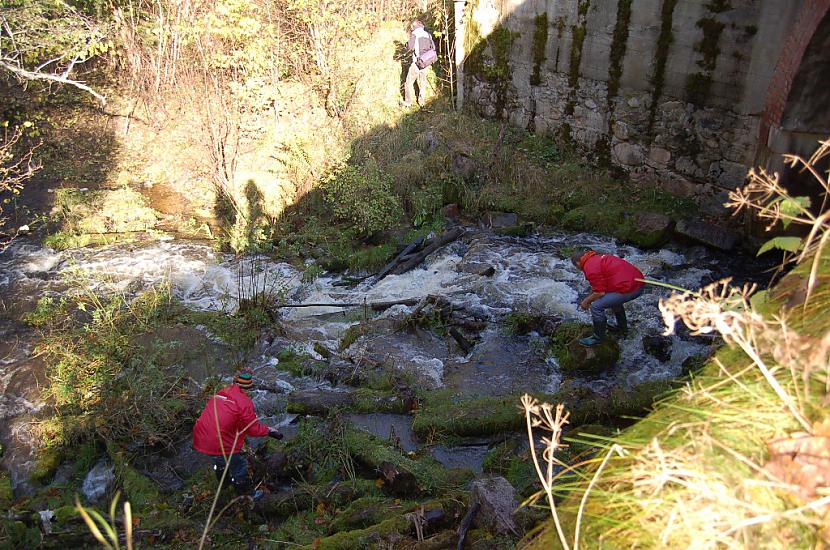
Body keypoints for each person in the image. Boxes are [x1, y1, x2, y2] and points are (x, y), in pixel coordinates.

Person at [192, 369, 282, 499]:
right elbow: (253, 429)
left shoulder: (222, 393)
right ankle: (246, 494)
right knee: (239, 467)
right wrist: (268, 430)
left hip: (202, 437)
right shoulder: (244, 402)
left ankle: (223, 483)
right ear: (249, 388)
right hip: (222, 443)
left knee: (219, 461)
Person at [571, 249, 645, 346]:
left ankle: (598, 338)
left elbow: (600, 293)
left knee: (596, 307)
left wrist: (586, 301)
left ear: (578, 263)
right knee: (613, 300)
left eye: (576, 267)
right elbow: (600, 286)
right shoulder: (597, 258)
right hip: (638, 282)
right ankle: (622, 329)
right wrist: (591, 296)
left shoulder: (590, 267)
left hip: (632, 288)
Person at [403, 20, 437, 108]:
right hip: (426, 61)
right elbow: (433, 47)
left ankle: (408, 102)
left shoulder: (415, 34)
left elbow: (410, 47)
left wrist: (406, 44)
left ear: (414, 27)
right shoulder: (427, 34)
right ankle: (421, 102)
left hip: (417, 62)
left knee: (408, 82)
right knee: (423, 81)